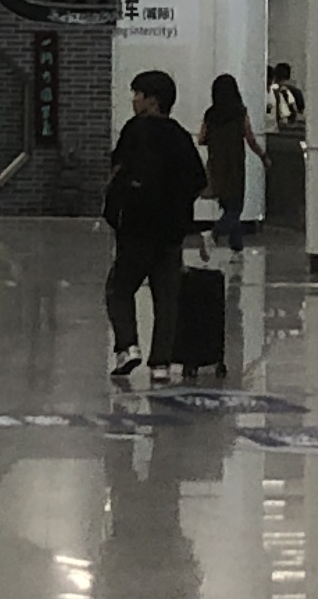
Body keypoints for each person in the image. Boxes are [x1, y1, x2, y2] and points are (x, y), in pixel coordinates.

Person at [101, 69, 201, 380]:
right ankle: (161, 364)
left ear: (152, 101)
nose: (134, 100)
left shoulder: (136, 129)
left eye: (138, 95)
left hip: (137, 227)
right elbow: (198, 179)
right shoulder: (181, 136)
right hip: (170, 232)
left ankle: (128, 346)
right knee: (166, 298)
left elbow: (117, 167)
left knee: (119, 288)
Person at [201, 74, 257, 252]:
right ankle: (214, 233)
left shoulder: (211, 114)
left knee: (228, 207)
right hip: (235, 164)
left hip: (216, 164)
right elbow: (250, 138)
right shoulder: (240, 112)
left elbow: (201, 138)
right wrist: (263, 156)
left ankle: (236, 245)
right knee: (235, 209)